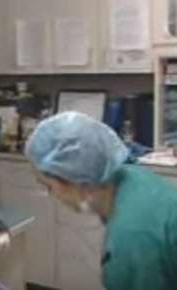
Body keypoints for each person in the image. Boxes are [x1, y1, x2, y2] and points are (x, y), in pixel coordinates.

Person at [24, 111, 177, 290]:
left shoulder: (131, 237)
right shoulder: (133, 177)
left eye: (49, 187)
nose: (53, 196)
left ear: (72, 178)